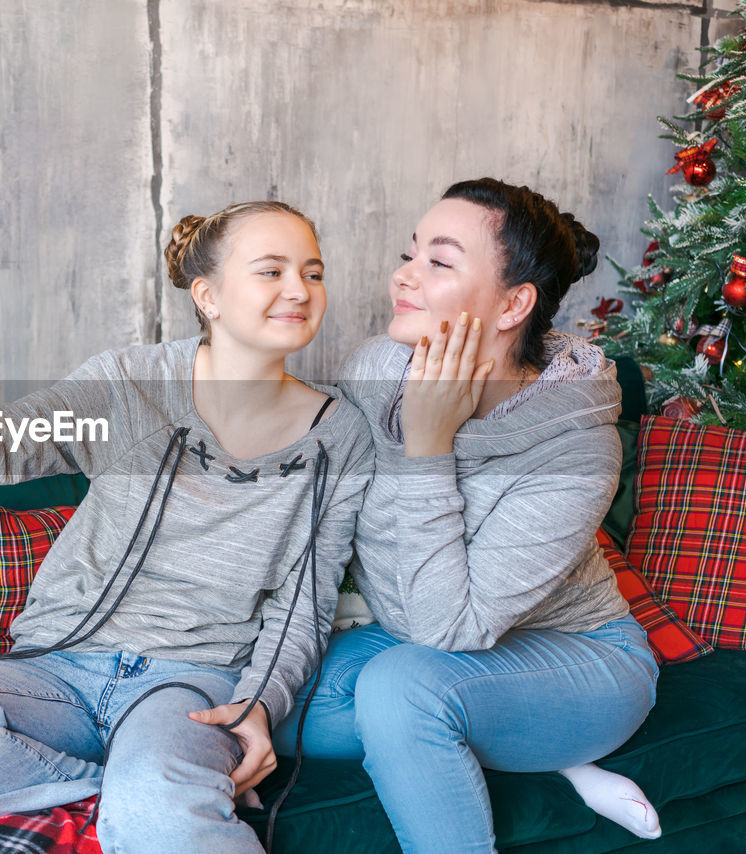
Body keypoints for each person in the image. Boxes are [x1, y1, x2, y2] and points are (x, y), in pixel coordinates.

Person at [0, 200, 374, 853]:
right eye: (271, 271)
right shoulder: (130, 386)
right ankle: (125, 798)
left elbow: (305, 602)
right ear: (208, 296)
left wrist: (261, 704)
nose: (299, 290)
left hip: (192, 681)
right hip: (57, 669)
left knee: (159, 810)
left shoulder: (339, 438)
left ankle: (150, 801)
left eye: (314, 272)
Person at [274, 178, 662, 853]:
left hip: (584, 661)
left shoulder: (577, 444)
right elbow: (332, 534)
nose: (405, 275)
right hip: (421, 642)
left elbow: (446, 625)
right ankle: (541, 758)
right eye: (410, 253)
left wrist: (426, 446)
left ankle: (501, 740)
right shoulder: (377, 371)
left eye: (440, 262)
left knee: (401, 692)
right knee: (248, 703)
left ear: (514, 303)